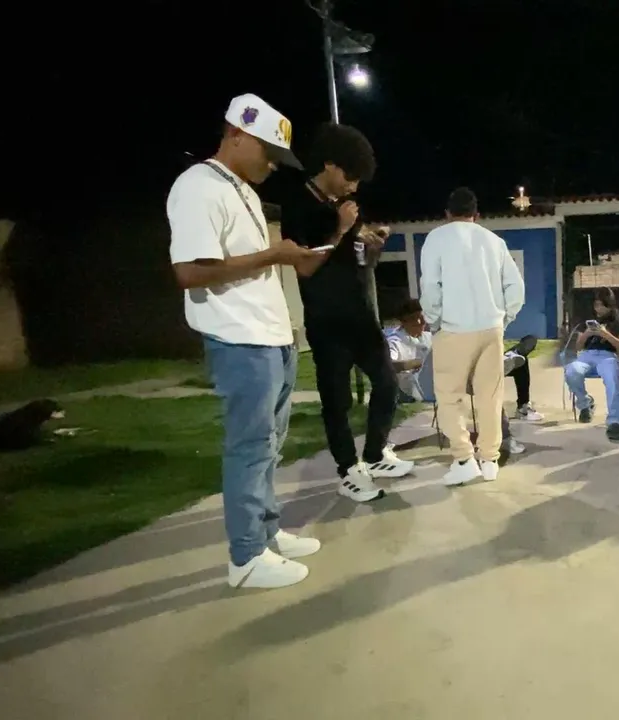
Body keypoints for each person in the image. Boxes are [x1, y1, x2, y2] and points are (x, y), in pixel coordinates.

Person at [167, 93, 325, 590]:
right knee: (250, 448)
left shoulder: (244, 193)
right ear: (237, 134)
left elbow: (249, 263)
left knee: (270, 446)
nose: (272, 166)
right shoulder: (198, 187)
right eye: (269, 153)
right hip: (240, 339)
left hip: (272, 337)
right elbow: (190, 271)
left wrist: (284, 257)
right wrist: (273, 255)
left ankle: (268, 535)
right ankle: (247, 557)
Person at [280, 122, 413, 505]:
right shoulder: (299, 205)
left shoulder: (345, 206)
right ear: (329, 165)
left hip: (359, 314)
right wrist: (339, 230)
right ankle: (348, 471)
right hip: (327, 320)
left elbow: (354, 257)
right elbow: (305, 267)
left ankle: (374, 454)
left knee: (387, 384)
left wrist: (370, 243)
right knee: (336, 401)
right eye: (350, 177)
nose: (353, 187)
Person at [419, 187, 526, 486]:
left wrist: (434, 321)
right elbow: (515, 288)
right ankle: (489, 460)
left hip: (453, 329)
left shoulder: (436, 238)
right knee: (490, 397)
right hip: (491, 329)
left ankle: (464, 459)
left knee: (449, 398)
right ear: (476, 215)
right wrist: (505, 318)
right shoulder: (494, 241)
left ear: (447, 213)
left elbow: (430, 287)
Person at [384, 299, 529, 455]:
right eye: (413, 319)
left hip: (446, 380)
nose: (419, 323)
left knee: (488, 386)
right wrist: (414, 363)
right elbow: (388, 364)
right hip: (417, 385)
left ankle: (505, 437)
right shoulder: (396, 341)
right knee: (443, 344)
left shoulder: (426, 336)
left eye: (421, 318)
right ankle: (498, 363)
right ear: (403, 322)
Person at [565, 287, 619, 441]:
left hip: (607, 356)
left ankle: (615, 421)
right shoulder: (588, 318)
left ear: (610, 305)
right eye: (596, 305)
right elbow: (578, 347)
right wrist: (587, 334)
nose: (599, 309)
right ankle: (585, 403)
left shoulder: (617, 319)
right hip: (587, 355)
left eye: (602, 306)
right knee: (571, 371)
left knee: (612, 377)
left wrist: (605, 334)